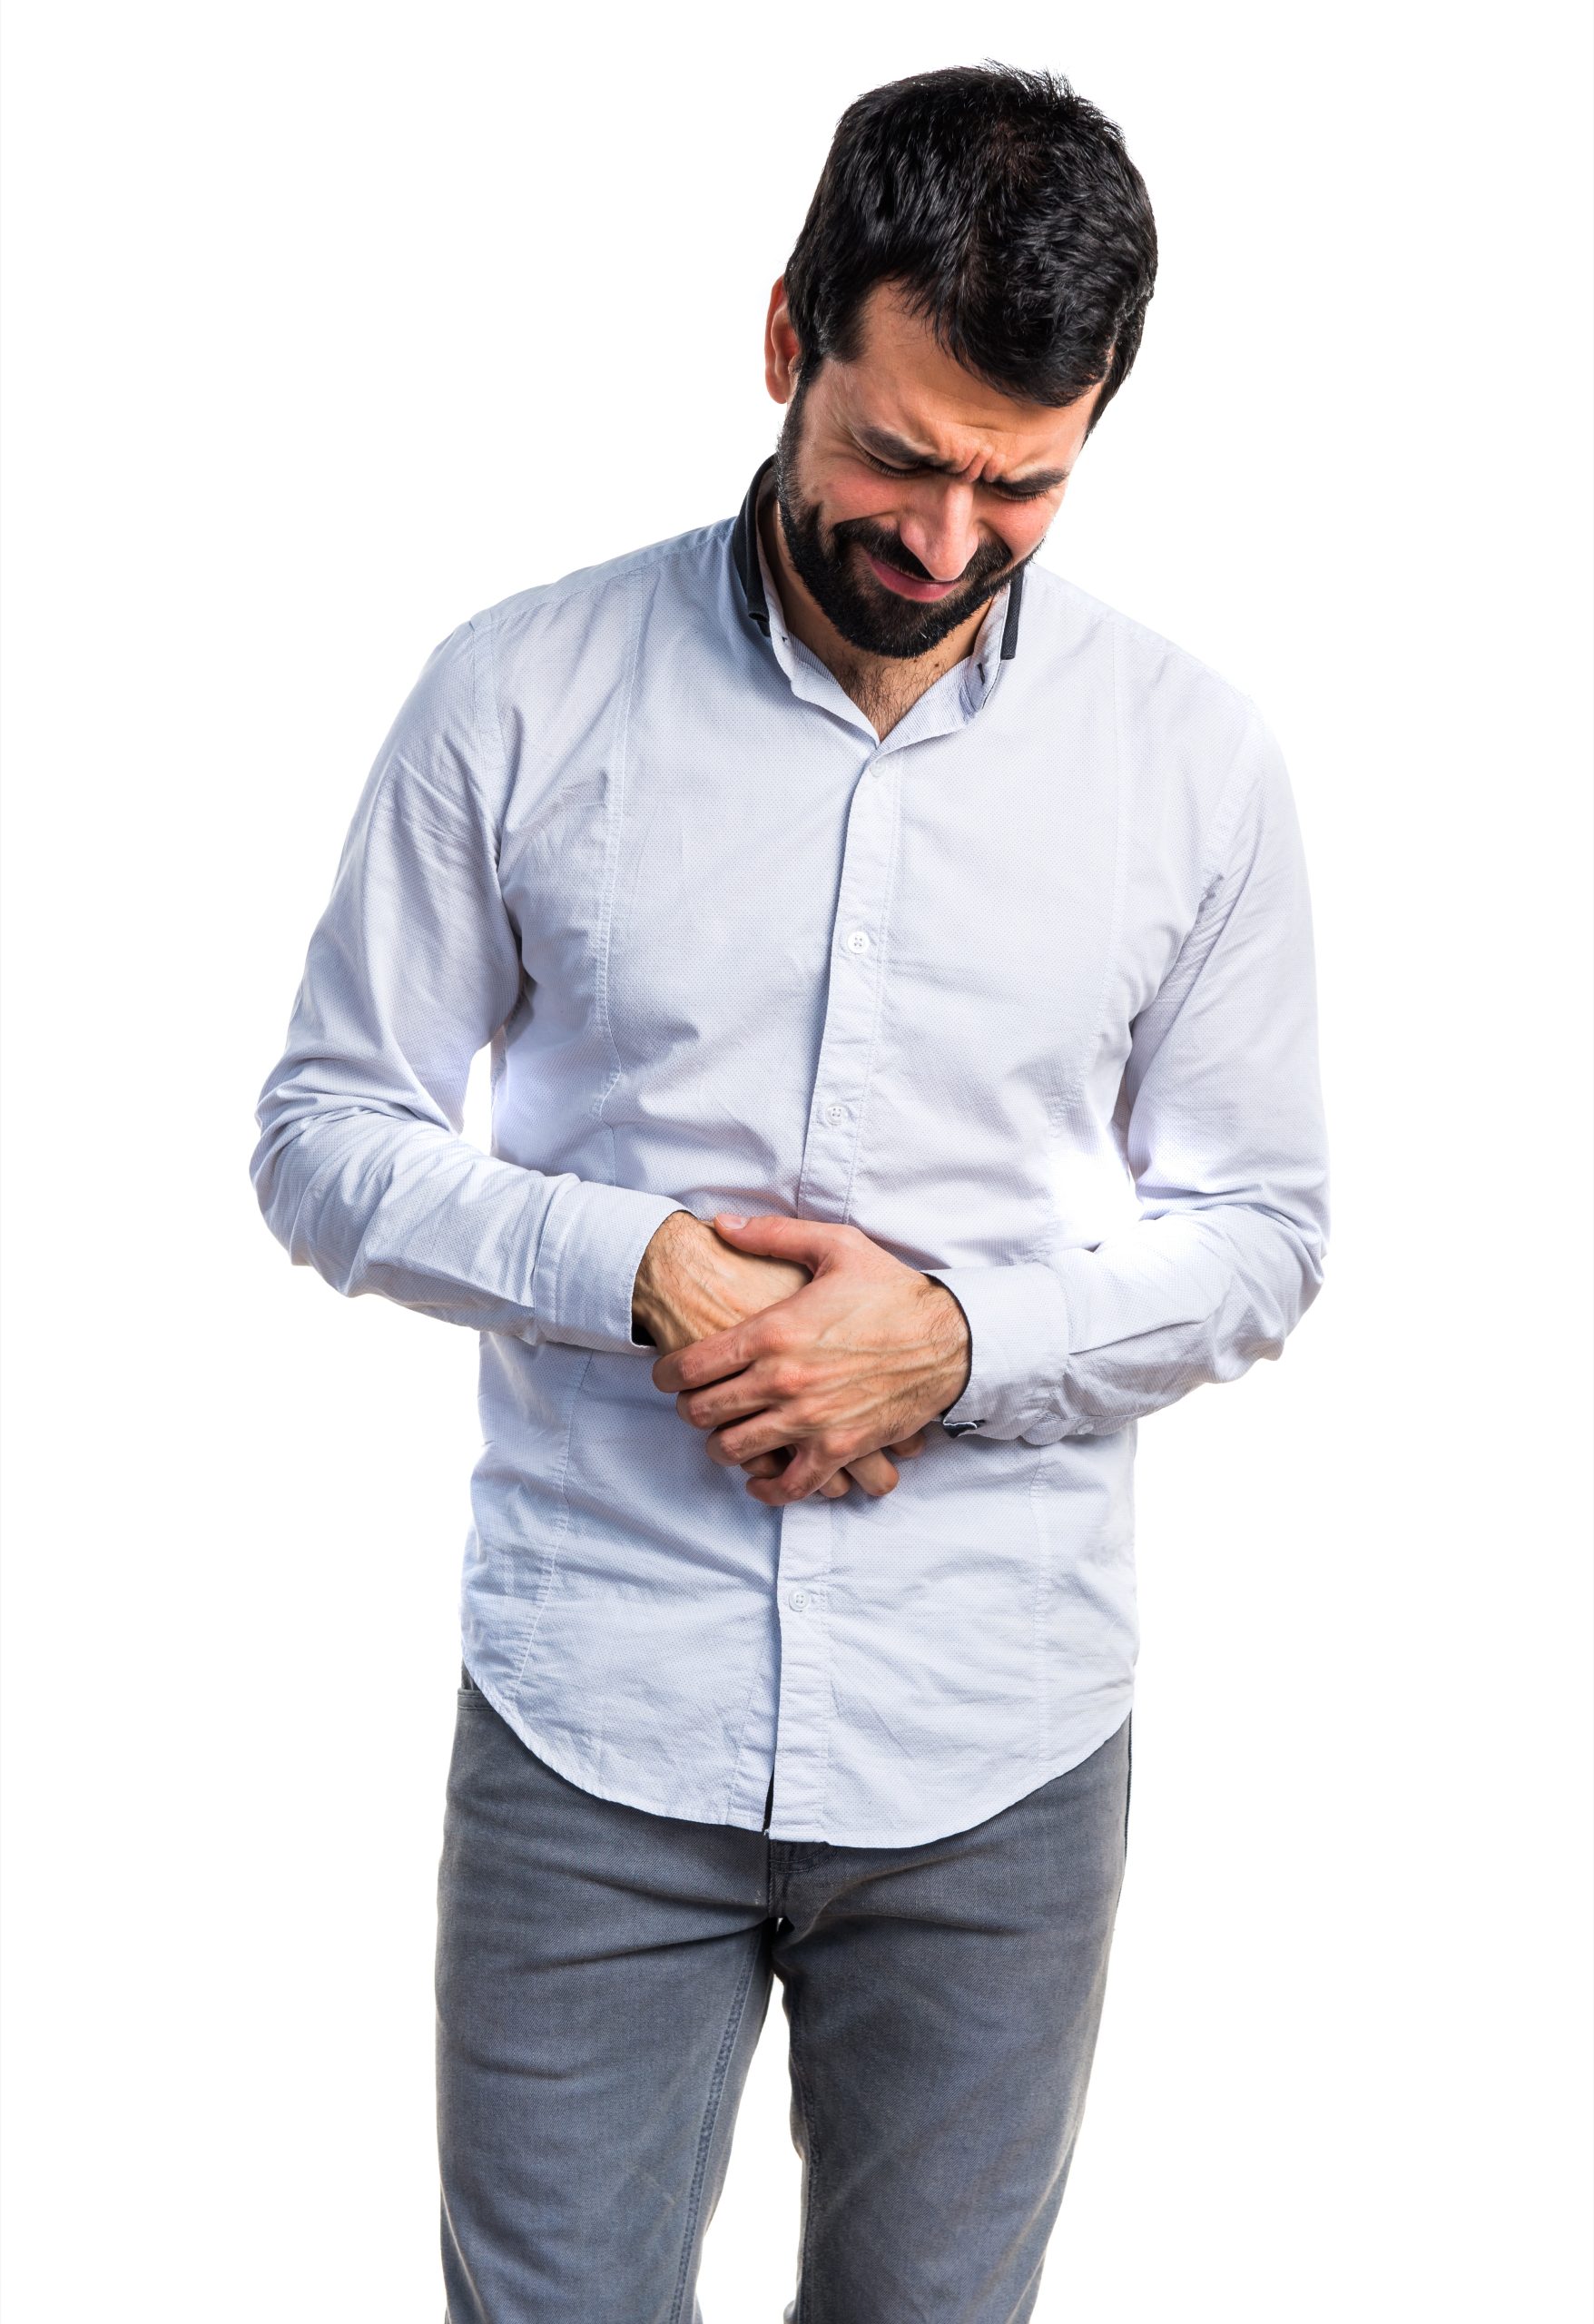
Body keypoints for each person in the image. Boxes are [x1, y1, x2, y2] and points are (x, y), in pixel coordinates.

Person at [249, 60, 1329, 2324]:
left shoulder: (1192, 765)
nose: (942, 541)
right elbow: (325, 1133)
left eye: (1017, 484)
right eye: (897, 453)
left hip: (996, 1748)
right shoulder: (515, 696)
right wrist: (616, 1261)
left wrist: (950, 1339)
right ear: (783, 343)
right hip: (589, 1719)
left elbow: (1261, 1227)